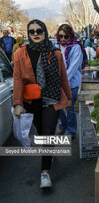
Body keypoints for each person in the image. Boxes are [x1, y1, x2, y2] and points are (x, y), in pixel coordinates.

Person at [13, 19, 72, 188]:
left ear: (45, 32)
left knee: (48, 132)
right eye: (32, 31)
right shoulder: (20, 53)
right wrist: (17, 103)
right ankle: (49, 151)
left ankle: (45, 173)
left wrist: (68, 97)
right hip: (31, 100)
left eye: (39, 30)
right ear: (28, 34)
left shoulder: (56, 53)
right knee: (40, 131)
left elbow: (63, 77)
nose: (36, 34)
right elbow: (17, 79)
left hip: (52, 98)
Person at [56, 24, 86, 138]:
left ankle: (71, 131)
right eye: (60, 36)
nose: (63, 39)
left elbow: (73, 68)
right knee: (57, 105)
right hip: (58, 82)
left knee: (70, 107)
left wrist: (63, 82)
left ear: (71, 36)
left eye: (66, 37)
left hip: (71, 83)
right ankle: (63, 123)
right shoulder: (57, 46)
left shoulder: (76, 47)